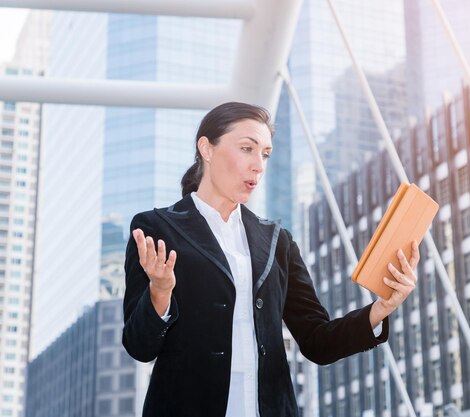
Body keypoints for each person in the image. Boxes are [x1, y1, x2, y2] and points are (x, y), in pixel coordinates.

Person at [122, 102, 420, 417]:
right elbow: (140, 346)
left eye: (265, 154)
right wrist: (160, 291)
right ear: (206, 149)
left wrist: (382, 307)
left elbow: (317, 341)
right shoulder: (155, 229)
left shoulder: (277, 241)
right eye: (247, 149)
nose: (258, 165)